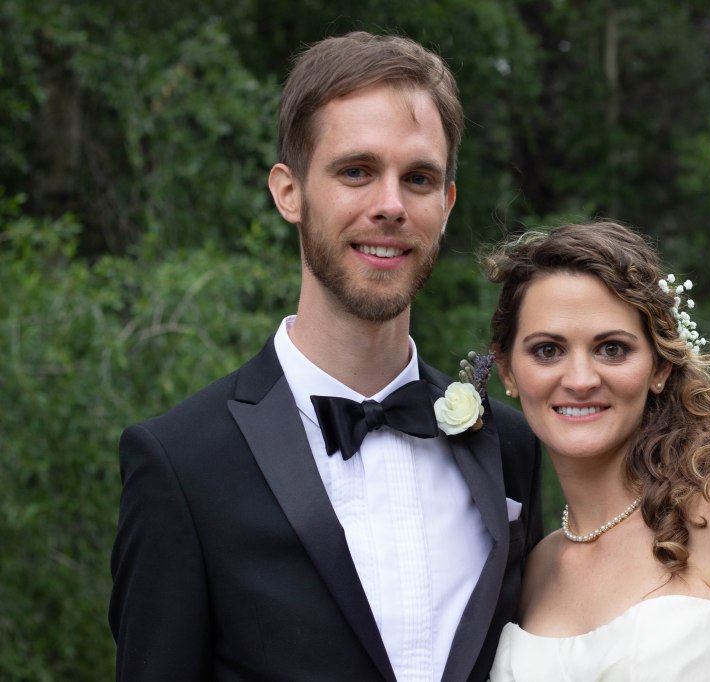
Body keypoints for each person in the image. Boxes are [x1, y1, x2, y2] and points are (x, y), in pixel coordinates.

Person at [109, 31, 544, 682]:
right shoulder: (182, 464)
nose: (390, 205)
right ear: (289, 192)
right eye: (356, 171)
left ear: (446, 205)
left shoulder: (509, 444)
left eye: (418, 178)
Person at [482, 221, 710, 681]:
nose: (580, 379)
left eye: (612, 349)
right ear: (508, 370)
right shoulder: (535, 569)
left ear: (658, 367)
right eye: (547, 350)